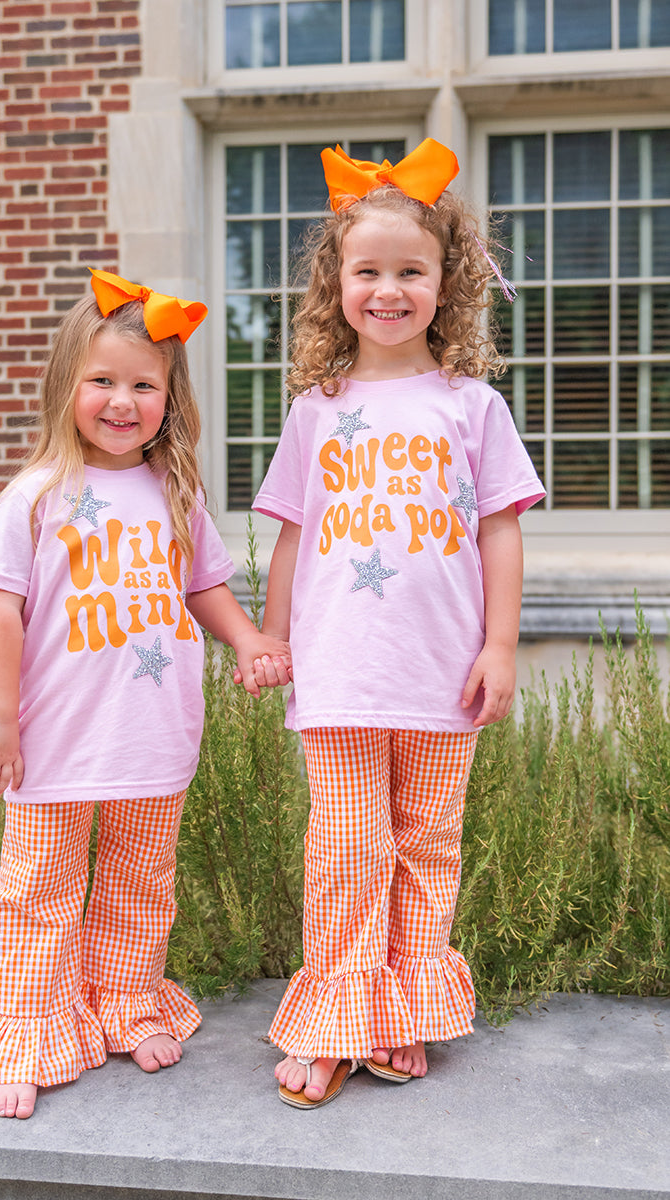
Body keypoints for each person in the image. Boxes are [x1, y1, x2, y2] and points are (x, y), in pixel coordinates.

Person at [0, 269, 292, 1119]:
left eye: (145, 384)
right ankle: (26, 1029)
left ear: (170, 399)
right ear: (68, 386)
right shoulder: (35, 496)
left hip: (151, 732)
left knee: (141, 883)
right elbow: (1, 615)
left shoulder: (175, 494)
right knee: (40, 891)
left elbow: (203, 587)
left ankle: (126, 1003)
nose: (122, 400)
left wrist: (247, 638)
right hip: (55, 739)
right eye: (102, 380)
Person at [250, 140, 545, 1108]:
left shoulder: (473, 406)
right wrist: (273, 637)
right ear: (337, 282)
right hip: (338, 670)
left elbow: (499, 533)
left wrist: (500, 645)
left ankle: (408, 1008)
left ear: (444, 282)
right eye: (367, 271)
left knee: (427, 843)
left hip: (440, 671)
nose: (387, 290)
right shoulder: (317, 411)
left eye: (409, 271)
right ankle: (337, 1019)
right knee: (344, 850)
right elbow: (292, 538)